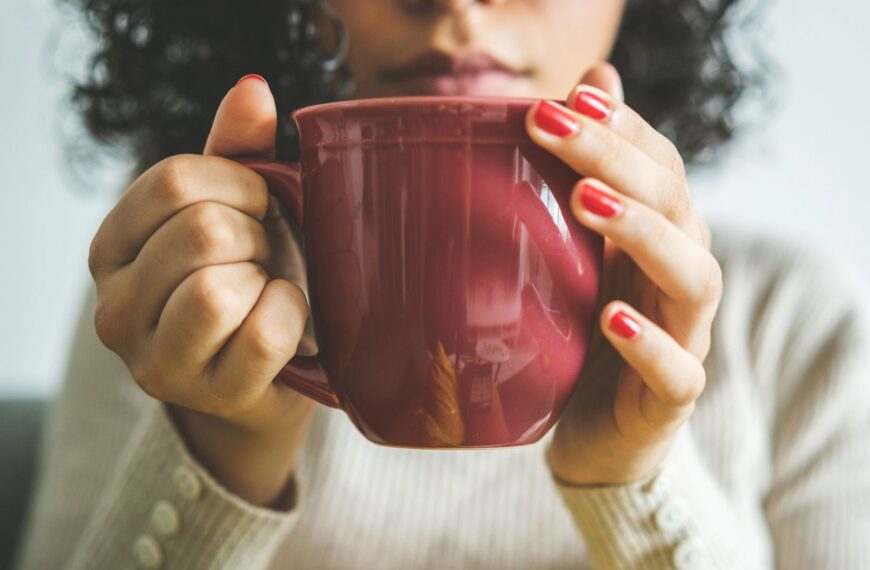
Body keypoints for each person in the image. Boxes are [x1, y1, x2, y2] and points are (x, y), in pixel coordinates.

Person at [15, 0, 870, 568]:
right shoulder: (187, 301)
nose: (458, 3)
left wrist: (636, 479)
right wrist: (218, 450)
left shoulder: (798, 323)